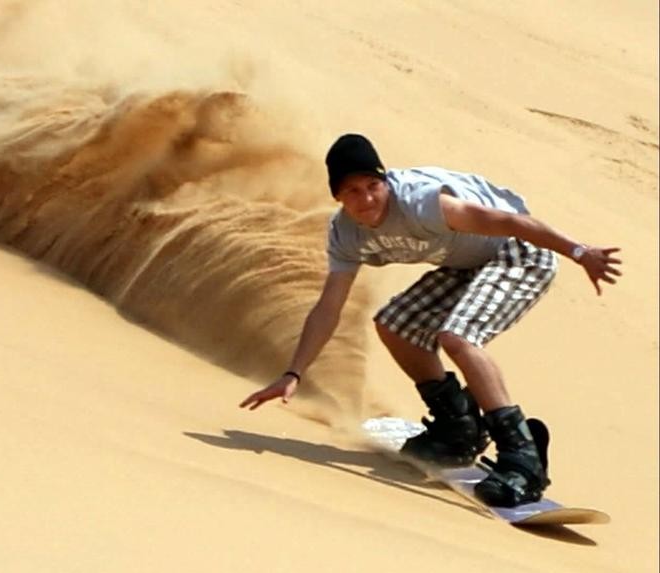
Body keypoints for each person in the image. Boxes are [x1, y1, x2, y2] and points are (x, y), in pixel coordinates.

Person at [239, 134, 622, 507]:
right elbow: (328, 307)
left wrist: (580, 251)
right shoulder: (345, 234)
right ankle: (459, 429)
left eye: (372, 185)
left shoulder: (421, 202)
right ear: (337, 197)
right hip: (467, 264)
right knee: (394, 325)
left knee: (457, 336)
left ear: (385, 180)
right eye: (352, 191)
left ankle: (523, 459)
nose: (366, 198)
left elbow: (510, 223)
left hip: (520, 252)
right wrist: (294, 374)